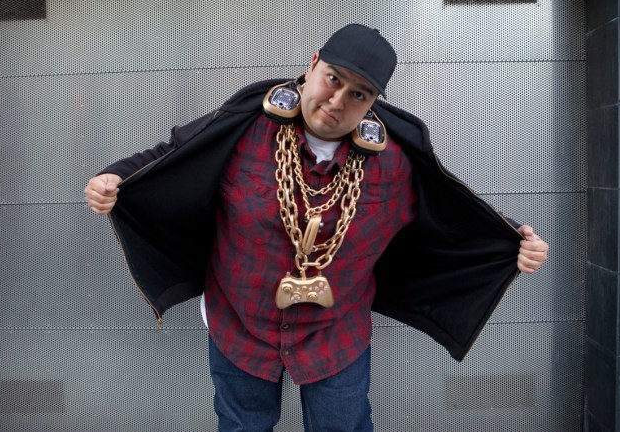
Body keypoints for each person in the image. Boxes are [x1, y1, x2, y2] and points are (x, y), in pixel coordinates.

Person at [84, 23, 549, 432]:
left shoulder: (396, 164)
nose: (337, 101)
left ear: (373, 103)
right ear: (312, 65)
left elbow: (453, 213)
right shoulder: (243, 131)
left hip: (335, 334)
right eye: (334, 79)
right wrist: (113, 178)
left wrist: (514, 241)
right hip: (239, 325)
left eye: (359, 95)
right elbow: (170, 157)